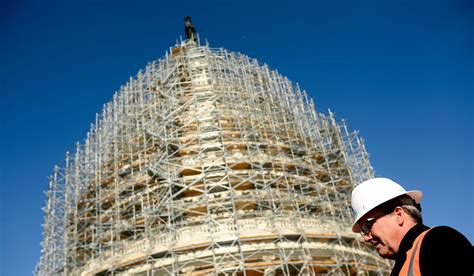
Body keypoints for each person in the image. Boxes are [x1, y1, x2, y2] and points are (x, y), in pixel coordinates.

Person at [351, 177, 473, 275]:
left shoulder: (440, 241)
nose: (366, 238)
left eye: (367, 226)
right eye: (363, 230)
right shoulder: (403, 264)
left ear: (398, 215)